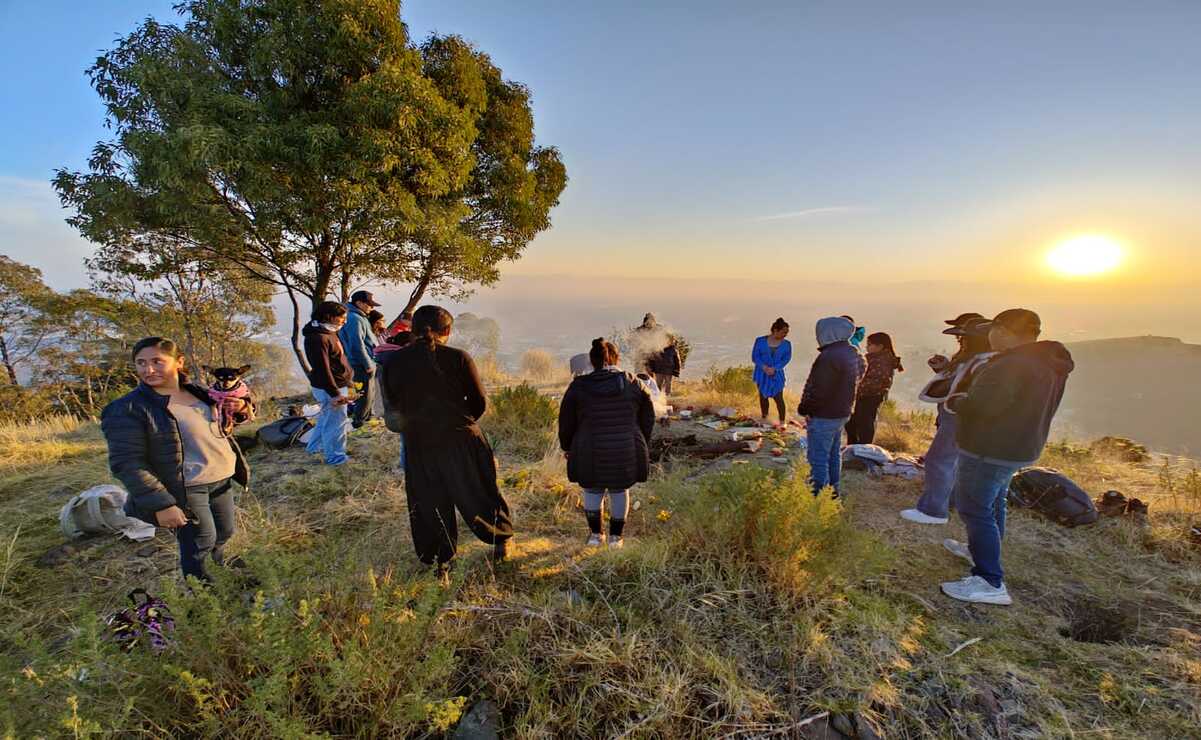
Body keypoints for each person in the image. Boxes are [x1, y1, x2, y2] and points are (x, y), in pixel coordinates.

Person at [939, 309, 1074, 606]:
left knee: (974, 508)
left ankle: (989, 580)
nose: (989, 336)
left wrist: (958, 401)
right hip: (1019, 446)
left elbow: (984, 406)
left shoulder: (1010, 365)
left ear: (1003, 331)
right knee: (994, 501)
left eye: (992, 330)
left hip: (990, 447)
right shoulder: (1047, 363)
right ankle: (982, 551)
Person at [100, 338, 253, 583]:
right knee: (200, 540)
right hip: (186, 486)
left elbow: (222, 423)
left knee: (224, 532)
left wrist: (242, 408)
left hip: (220, 477)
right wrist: (162, 504)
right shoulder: (127, 408)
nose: (148, 370)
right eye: (141, 363)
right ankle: (203, 593)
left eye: (157, 362)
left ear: (178, 362)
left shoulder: (200, 392)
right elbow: (127, 463)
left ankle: (220, 569)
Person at [380, 305, 513, 581]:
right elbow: (478, 403)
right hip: (461, 438)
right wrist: (460, 422)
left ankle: (442, 561)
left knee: (429, 502)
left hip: (419, 443)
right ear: (448, 331)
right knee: (479, 492)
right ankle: (500, 540)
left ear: (413, 330)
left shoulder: (392, 363)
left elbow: (392, 410)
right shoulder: (459, 358)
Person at [558, 338, 655, 548]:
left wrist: (567, 447)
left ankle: (595, 536)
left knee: (592, 489)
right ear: (616, 358)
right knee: (620, 490)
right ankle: (616, 538)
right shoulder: (634, 383)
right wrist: (639, 441)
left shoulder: (578, 386)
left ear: (592, 361)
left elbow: (566, 421)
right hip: (625, 448)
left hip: (588, 449)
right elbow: (648, 416)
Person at [901, 315, 994, 525]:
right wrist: (943, 369)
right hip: (959, 417)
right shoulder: (977, 359)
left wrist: (955, 405)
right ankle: (949, 502)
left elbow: (963, 389)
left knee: (939, 460)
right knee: (953, 462)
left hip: (958, 417)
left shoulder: (980, 361)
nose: (960, 340)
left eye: (963, 335)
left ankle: (932, 511)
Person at [797, 317, 865, 496]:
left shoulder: (828, 357)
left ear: (829, 333)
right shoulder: (852, 352)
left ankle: (819, 498)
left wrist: (806, 409)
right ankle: (833, 493)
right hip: (842, 412)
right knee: (833, 455)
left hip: (824, 415)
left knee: (817, 458)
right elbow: (859, 374)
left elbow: (819, 390)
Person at [303, 301, 355, 466]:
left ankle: (314, 447)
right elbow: (323, 368)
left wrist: (348, 380)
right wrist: (335, 394)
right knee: (336, 423)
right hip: (330, 387)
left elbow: (336, 361)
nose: (344, 321)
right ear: (330, 317)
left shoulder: (328, 331)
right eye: (342, 318)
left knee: (327, 419)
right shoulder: (318, 338)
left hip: (336, 384)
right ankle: (336, 458)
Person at [846, 332, 904, 444]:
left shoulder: (882, 361)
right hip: (864, 394)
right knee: (854, 422)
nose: (867, 347)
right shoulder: (875, 358)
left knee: (864, 423)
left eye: (869, 344)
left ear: (880, 346)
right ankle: (854, 446)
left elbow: (874, 381)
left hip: (871, 396)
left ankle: (863, 447)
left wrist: (857, 385)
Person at [338, 290, 381, 429]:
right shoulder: (354, 318)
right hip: (360, 363)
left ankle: (367, 418)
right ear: (359, 303)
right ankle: (359, 422)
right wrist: (367, 363)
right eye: (369, 304)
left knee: (370, 392)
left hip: (365, 361)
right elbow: (357, 344)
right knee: (364, 395)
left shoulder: (359, 316)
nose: (371, 307)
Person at [752, 318, 792, 426]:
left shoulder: (787, 344)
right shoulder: (760, 341)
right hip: (762, 373)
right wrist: (764, 367)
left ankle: (782, 422)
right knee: (763, 397)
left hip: (776, 374)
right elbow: (755, 357)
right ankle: (764, 419)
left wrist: (775, 368)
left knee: (779, 398)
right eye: (784, 332)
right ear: (775, 330)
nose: (786, 334)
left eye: (787, 332)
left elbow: (786, 359)